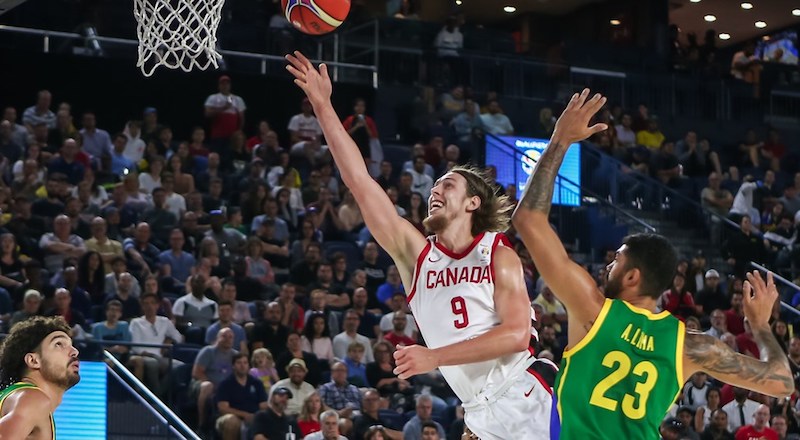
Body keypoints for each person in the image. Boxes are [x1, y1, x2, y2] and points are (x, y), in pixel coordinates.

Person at [287, 51, 551, 440]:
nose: (435, 191)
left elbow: (515, 335)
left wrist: (434, 357)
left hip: (524, 396)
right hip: (479, 412)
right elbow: (359, 181)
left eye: (448, 185)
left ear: (473, 203)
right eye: (434, 186)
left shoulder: (498, 253)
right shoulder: (417, 255)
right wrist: (324, 107)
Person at [512, 88, 793, 439]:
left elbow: (528, 219)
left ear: (632, 276)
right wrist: (760, 325)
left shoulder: (592, 309)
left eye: (616, 261)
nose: (607, 267)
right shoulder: (691, 345)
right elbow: (782, 383)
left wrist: (560, 140)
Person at [0, 316, 79, 439]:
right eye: (59, 344)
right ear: (33, 361)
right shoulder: (32, 399)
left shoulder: (20, 397)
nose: (74, 351)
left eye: (71, 345)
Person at [214, 353, 268, 440]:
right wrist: (245, 415)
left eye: (245, 363)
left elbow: (263, 405)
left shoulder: (257, 383)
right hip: (232, 417)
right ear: (233, 366)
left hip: (254, 417)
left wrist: (257, 417)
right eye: (239, 363)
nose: (242, 366)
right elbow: (223, 408)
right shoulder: (225, 384)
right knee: (232, 421)